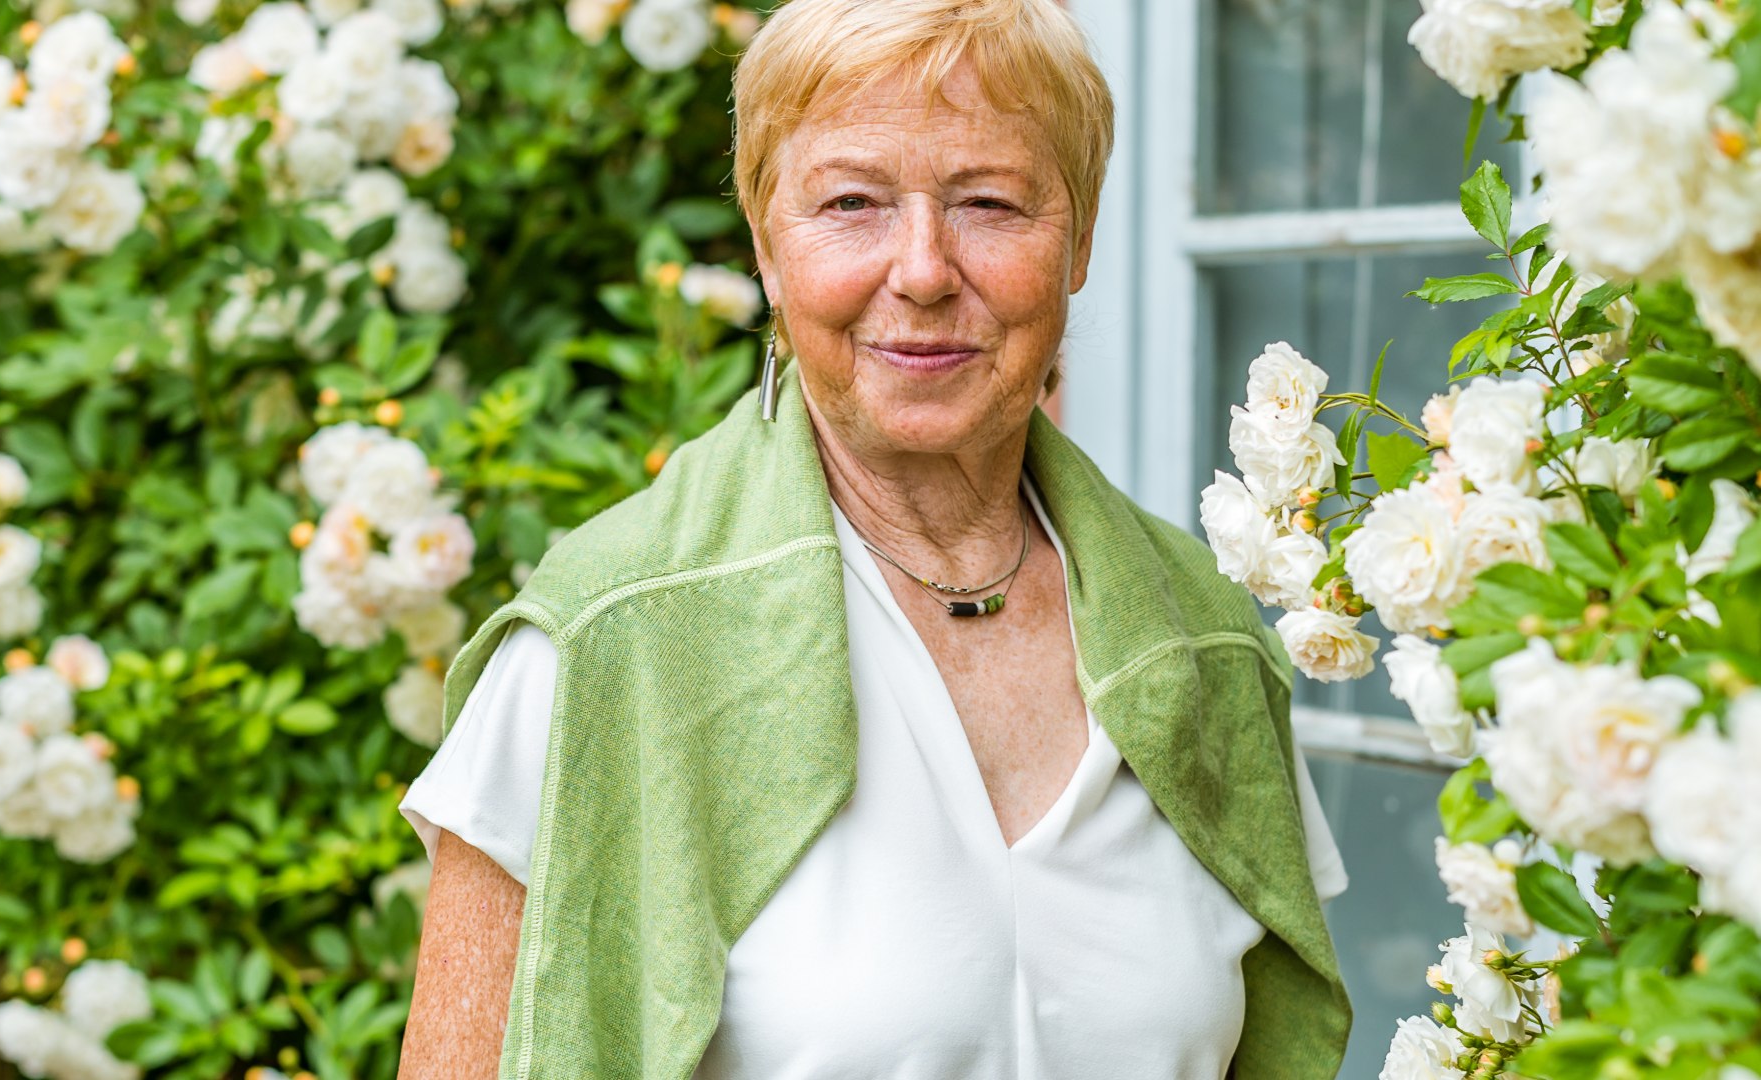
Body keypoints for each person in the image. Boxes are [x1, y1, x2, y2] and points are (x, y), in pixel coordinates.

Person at [397, 0, 1352, 1076]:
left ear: (1078, 243)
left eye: (989, 202)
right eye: (851, 202)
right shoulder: (606, 647)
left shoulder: (1205, 641)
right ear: (767, 248)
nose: (924, 269)